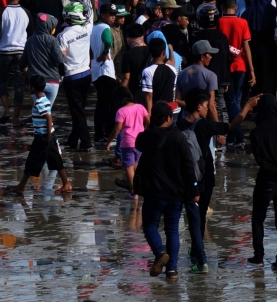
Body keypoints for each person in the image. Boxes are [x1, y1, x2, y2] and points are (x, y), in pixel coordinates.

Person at [177, 88, 259, 272]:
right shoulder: (205, 125)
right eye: (207, 106)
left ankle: (197, 252)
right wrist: (246, 107)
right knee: (200, 216)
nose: (208, 109)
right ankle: (202, 259)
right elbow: (230, 126)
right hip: (205, 176)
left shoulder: (178, 125)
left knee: (192, 217)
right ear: (199, 107)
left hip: (187, 178)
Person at [135, 101, 199, 281]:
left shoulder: (146, 137)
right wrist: (194, 188)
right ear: (170, 118)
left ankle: (160, 252)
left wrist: (149, 127)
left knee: (149, 226)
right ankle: (172, 270)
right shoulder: (178, 137)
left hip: (153, 192)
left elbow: (138, 144)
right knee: (172, 230)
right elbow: (188, 165)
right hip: (176, 193)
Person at [8, 75, 72, 195]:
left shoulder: (39, 103)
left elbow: (48, 118)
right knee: (56, 160)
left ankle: (21, 187)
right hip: (48, 135)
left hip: (43, 137)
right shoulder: (45, 99)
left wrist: (47, 137)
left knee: (32, 161)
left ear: (32, 88)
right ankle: (66, 183)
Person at [217, 0, 256, 147]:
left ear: (221, 7)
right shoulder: (242, 23)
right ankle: (236, 136)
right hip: (240, 66)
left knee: (230, 102)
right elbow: (246, 47)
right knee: (236, 101)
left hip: (225, 67)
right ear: (236, 7)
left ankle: (236, 135)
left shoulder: (219, 22)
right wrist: (252, 70)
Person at [57, 0, 93, 151]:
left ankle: (85, 141)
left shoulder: (63, 35)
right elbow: (90, 12)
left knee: (76, 111)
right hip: (86, 74)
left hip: (72, 76)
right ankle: (74, 139)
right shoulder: (87, 28)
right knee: (80, 109)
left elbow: (61, 58)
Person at [0, 0, 31, 125]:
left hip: (4, 51)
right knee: (19, 84)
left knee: (3, 81)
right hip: (21, 52)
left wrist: (1, 40)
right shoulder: (26, 13)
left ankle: (6, 111)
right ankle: (16, 118)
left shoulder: (2, 12)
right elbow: (31, 32)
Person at [249, 94, 277, 267]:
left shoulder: (256, 133)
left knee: (258, 217)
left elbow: (259, 159)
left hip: (266, 179)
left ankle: (258, 256)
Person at [106, 88, 149, 198]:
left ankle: (134, 192)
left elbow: (117, 129)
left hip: (128, 142)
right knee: (136, 166)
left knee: (128, 168)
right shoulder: (140, 107)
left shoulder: (121, 111)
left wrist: (109, 141)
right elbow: (148, 122)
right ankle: (139, 189)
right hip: (141, 141)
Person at [19, 12, 64, 107]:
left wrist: (23, 70)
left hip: (36, 83)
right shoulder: (52, 40)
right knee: (47, 111)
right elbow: (59, 60)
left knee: (40, 111)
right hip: (52, 82)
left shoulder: (30, 40)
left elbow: (23, 62)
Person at [175, 40, 219, 120]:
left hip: (185, 120)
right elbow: (211, 106)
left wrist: (190, 105)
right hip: (204, 121)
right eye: (209, 54)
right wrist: (218, 128)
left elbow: (177, 100)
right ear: (202, 57)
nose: (211, 57)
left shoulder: (182, 74)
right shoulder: (211, 75)